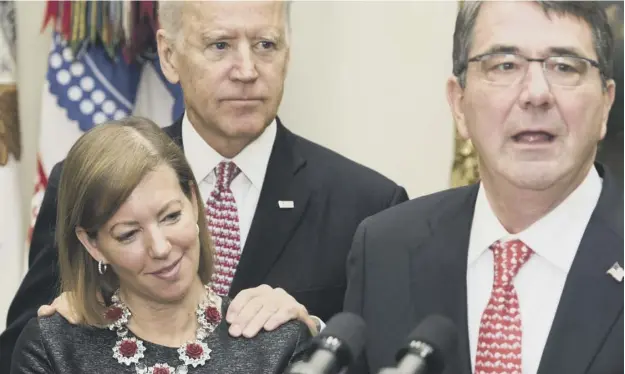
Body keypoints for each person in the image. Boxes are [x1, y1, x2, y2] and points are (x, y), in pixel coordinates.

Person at [0, 0, 408, 369]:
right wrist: (74, 314)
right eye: (220, 45)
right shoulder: (88, 184)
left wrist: (314, 336)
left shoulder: (368, 205)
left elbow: (386, 354)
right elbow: (19, 349)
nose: (247, 70)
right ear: (169, 55)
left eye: (266, 44)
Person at [344, 2, 622, 374]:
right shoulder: (385, 248)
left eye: (565, 67)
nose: (536, 94)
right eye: (505, 65)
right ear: (459, 104)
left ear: (605, 104)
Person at [11, 117, 313, 374]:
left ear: (193, 202)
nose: (160, 248)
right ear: (93, 245)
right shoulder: (54, 347)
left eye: (170, 216)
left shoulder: (277, 341)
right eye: (128, 234)